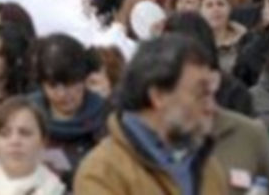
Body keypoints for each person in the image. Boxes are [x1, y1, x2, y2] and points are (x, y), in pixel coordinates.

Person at [73, 34, 227, 194]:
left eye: (211, 94)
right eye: (200, 95)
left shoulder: (207, 167)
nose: (211, 107)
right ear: (159, 96)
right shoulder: (103, 173)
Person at [28, 34, 108, 188]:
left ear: (84, 78)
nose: (62, 94)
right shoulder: (24, 115)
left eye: (70, 83)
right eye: (53, 86)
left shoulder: (106, 118)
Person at [199, 0, 248, 75]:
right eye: (209, 5)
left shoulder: (246, 39)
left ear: (229, 8)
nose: (216, 9)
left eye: (220, 4)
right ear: (200, 11)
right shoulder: (193, 43)